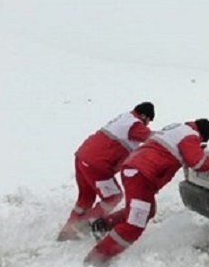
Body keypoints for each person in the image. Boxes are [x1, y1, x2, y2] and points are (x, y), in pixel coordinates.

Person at [83, 118, 209, 267]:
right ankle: (98, 257)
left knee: (148, 210)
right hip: (142, 175)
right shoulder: (190, 136)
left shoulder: (177, 128)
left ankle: (102, 225)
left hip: (136, 170)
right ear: (202, 135)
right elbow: (197, 163)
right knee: (135, 223)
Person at [57, 102, 155, 241]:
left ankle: (67, 232)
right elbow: (154, 139)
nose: (147, 124)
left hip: (82, 158)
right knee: (113, 196)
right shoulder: (135, 124)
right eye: (148, 121)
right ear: (144, 116)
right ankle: (81, 226)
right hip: (97, 165)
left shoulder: (124, 118)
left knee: (85, 198)